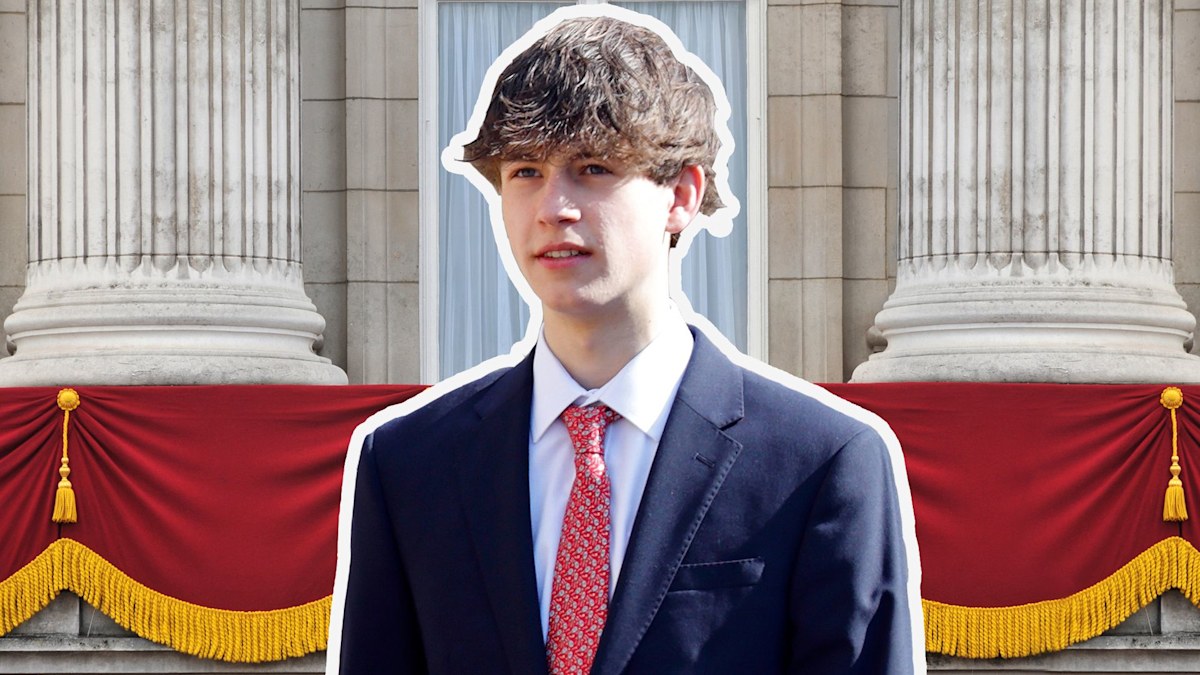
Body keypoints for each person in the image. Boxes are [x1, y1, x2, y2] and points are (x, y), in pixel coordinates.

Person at [328, 8, 922, 674]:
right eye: (525, 171)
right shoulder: (407, 463)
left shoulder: (821, 463)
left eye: (592, 167)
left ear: (681, 195)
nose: (554, 207)